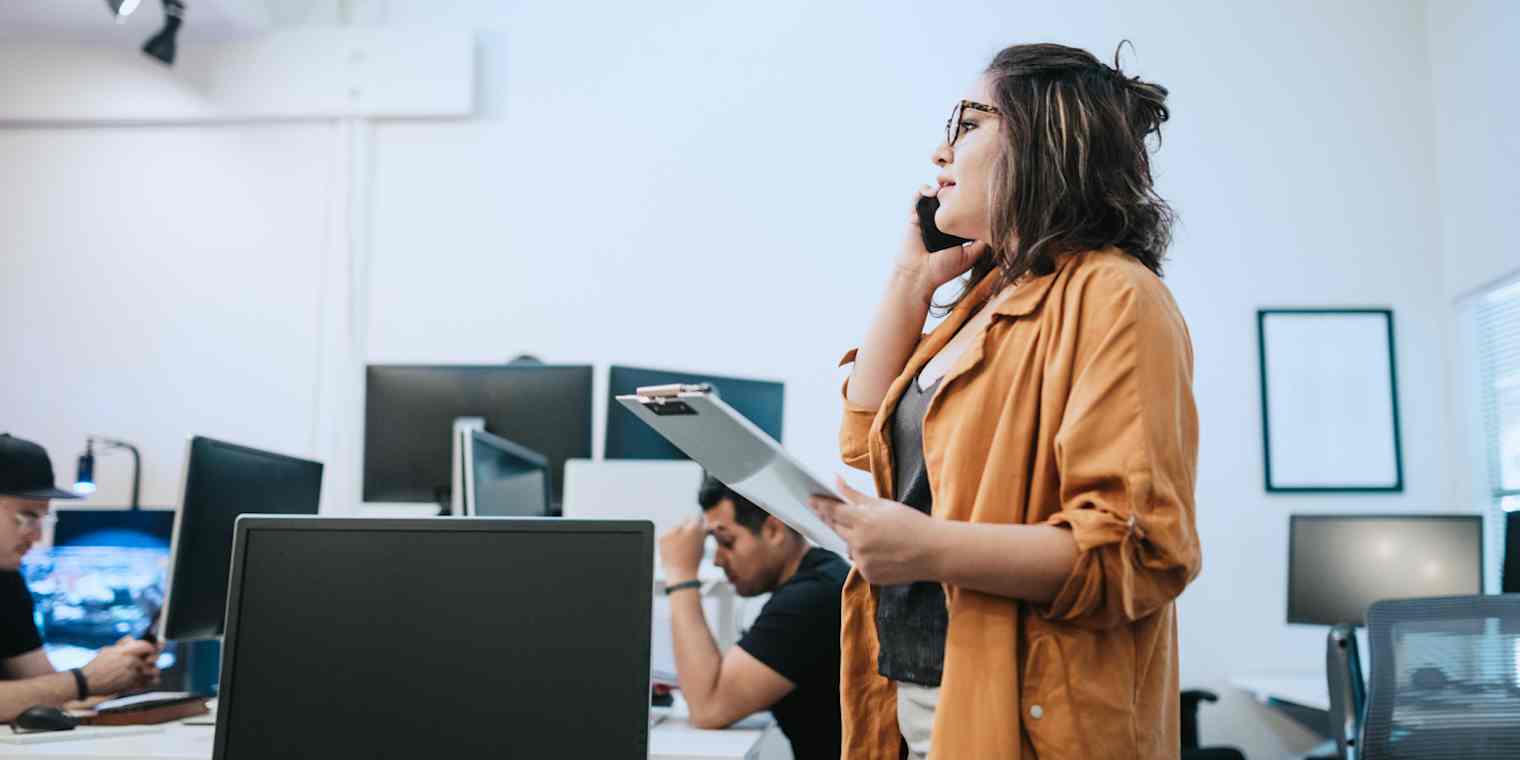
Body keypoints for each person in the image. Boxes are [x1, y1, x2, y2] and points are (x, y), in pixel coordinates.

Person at [810, 43, 1201, 759]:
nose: (940, 150)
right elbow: (861, 435)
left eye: (966, 123)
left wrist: (928, 548)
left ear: (1044, 138)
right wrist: (909, 281)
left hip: (1029, 713)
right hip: (916, 696)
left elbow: (1139, 552)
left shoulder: (1116, 296)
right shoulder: (988, 298)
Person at [658, 475, 848, 760]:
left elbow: (708, 708)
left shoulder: (810, 600)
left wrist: (681, 575)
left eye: (726, 541)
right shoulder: (823, 577)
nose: (717, 559)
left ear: (773, 530)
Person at [0, 434, 161, 722]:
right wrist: (85, 680)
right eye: (27, 517)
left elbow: (44, 691)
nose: (37, 537)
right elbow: (67, 687)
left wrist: (118, 674)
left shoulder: (7, 581)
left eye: (43, 519)